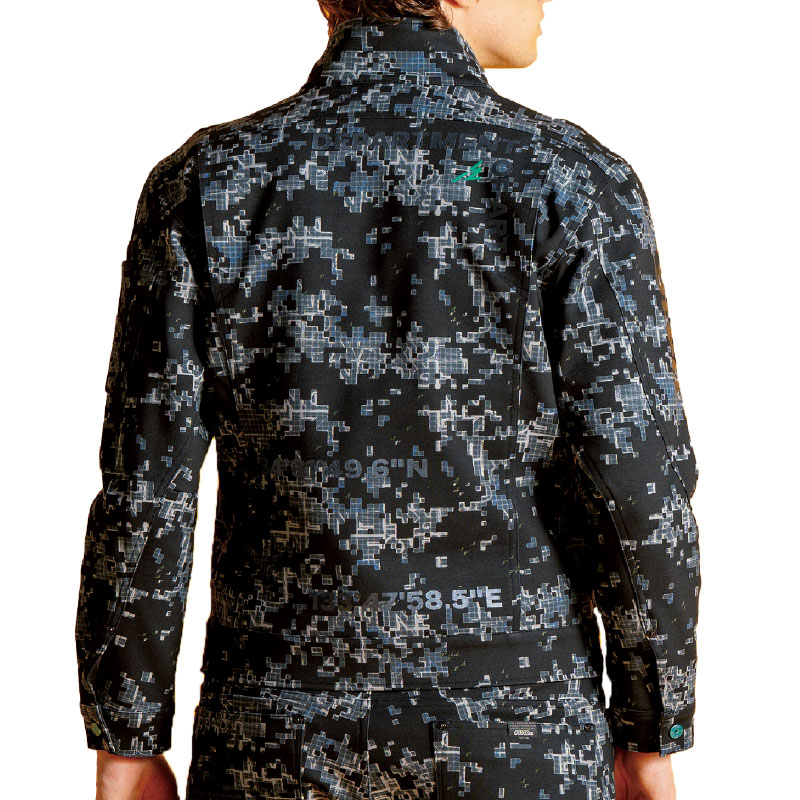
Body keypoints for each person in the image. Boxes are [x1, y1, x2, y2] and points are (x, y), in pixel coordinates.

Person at [76, 1, 702, 799]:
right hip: (519, 740)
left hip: (274, 742)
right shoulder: (568, 180)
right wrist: (652, 730)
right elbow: (638, 487)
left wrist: (126, 740)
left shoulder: (208, 181)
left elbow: (145, 490)